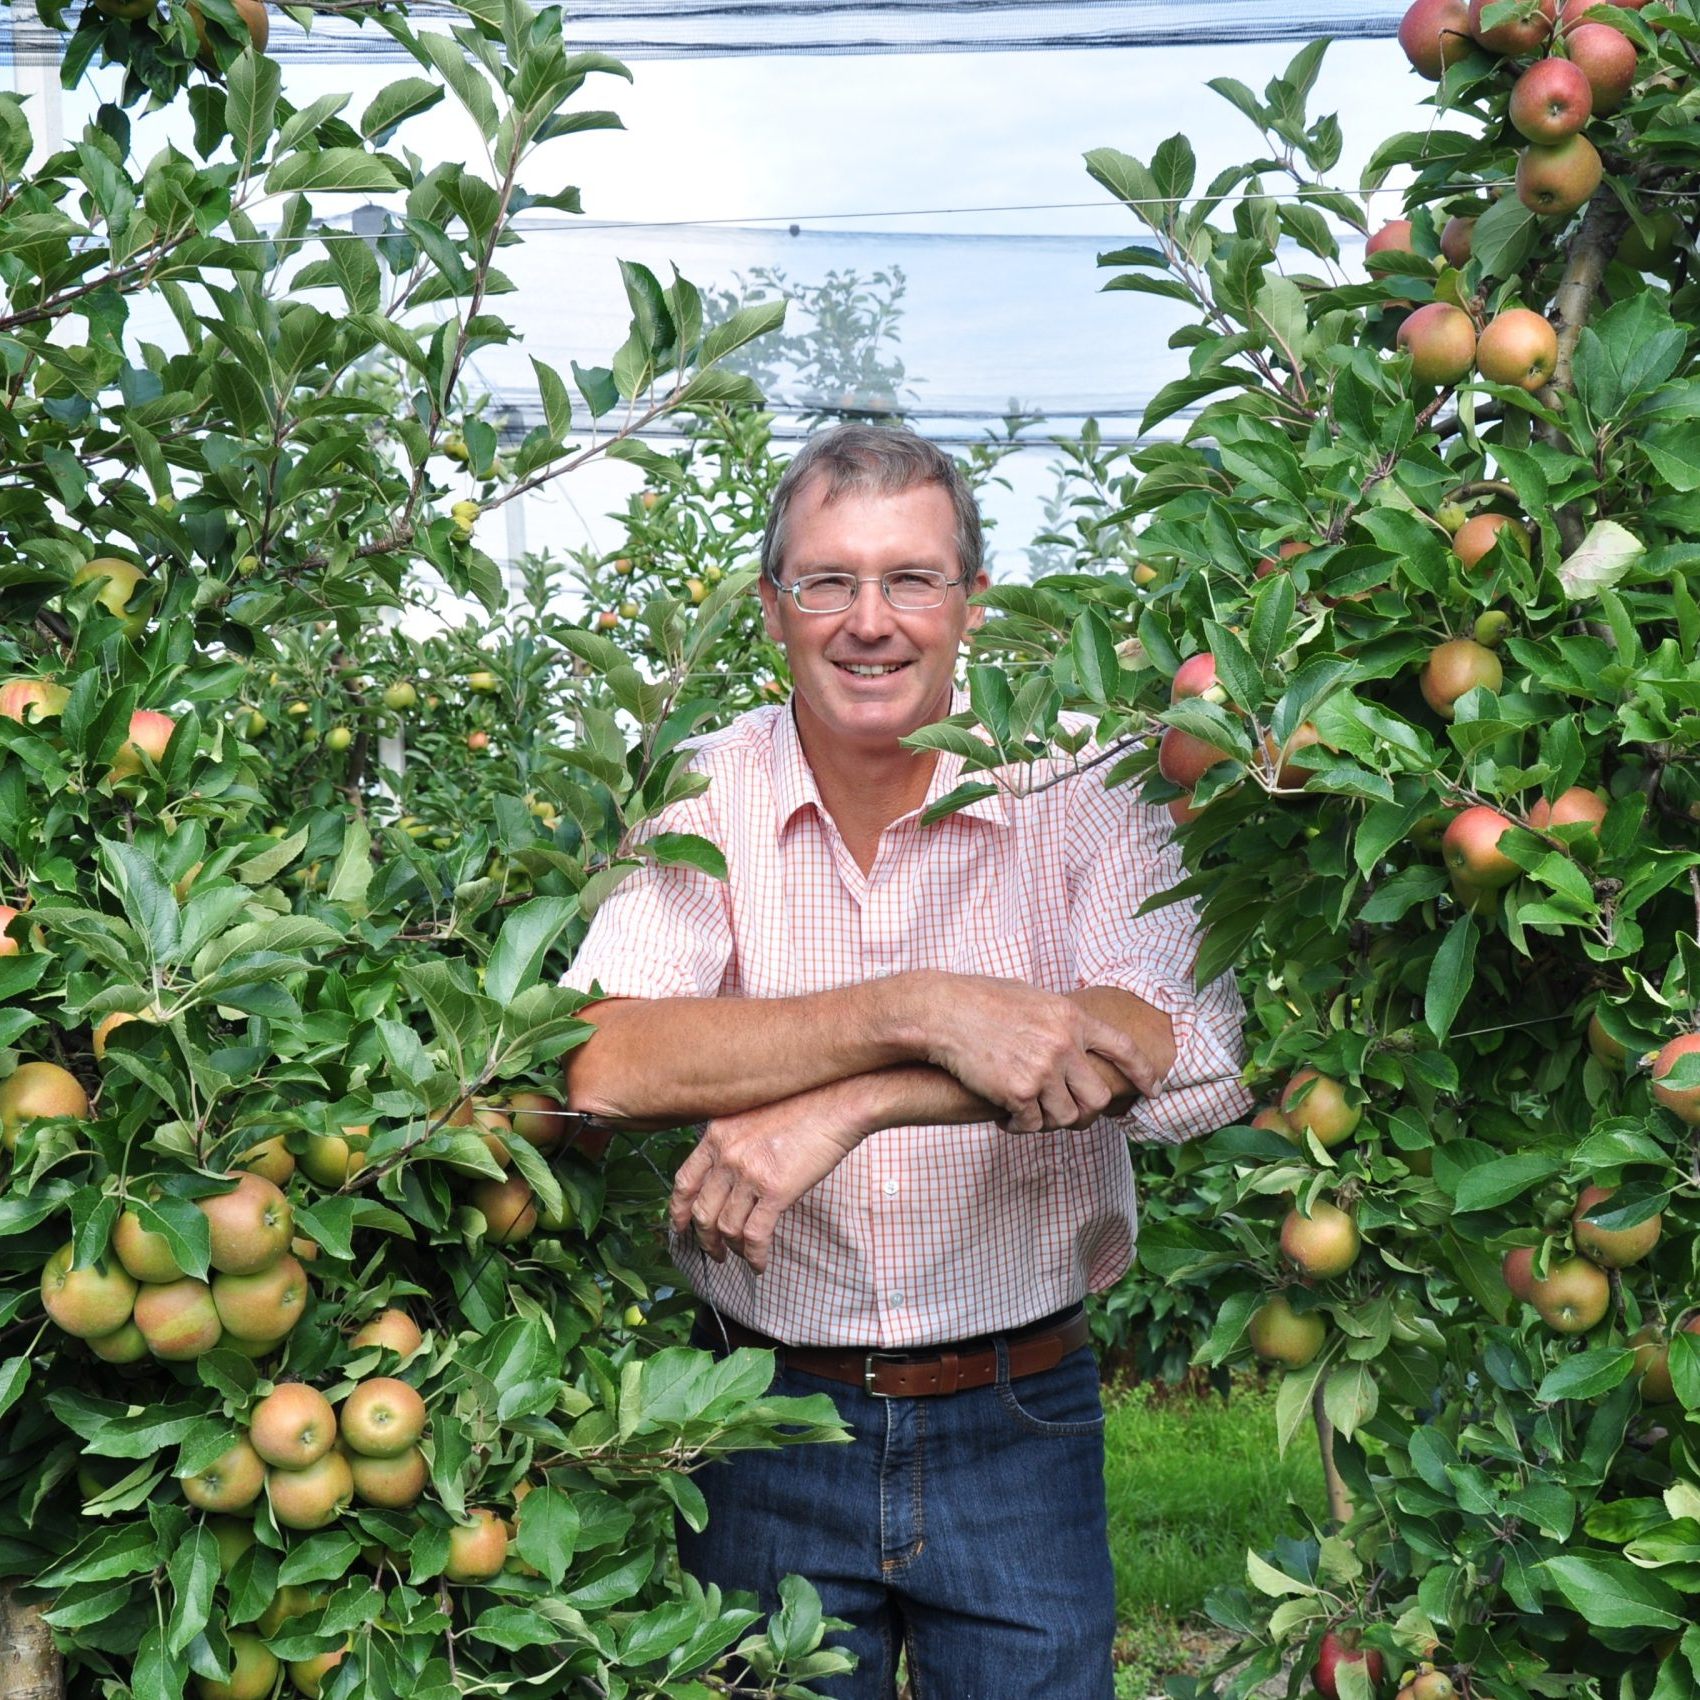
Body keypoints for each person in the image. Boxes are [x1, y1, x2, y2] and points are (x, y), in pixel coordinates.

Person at [560, 424, 1250, 1699]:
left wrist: (855, 1102)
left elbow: (1183, 1042)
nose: (867, 620)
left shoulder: (1084, 773)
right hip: (758, 1412)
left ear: (969, 601)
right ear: (775, 606)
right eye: (826, 580)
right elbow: (594, 1055)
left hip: (1017, 1410)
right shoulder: (700, 790)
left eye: (910, 579)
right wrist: (915, 1009)